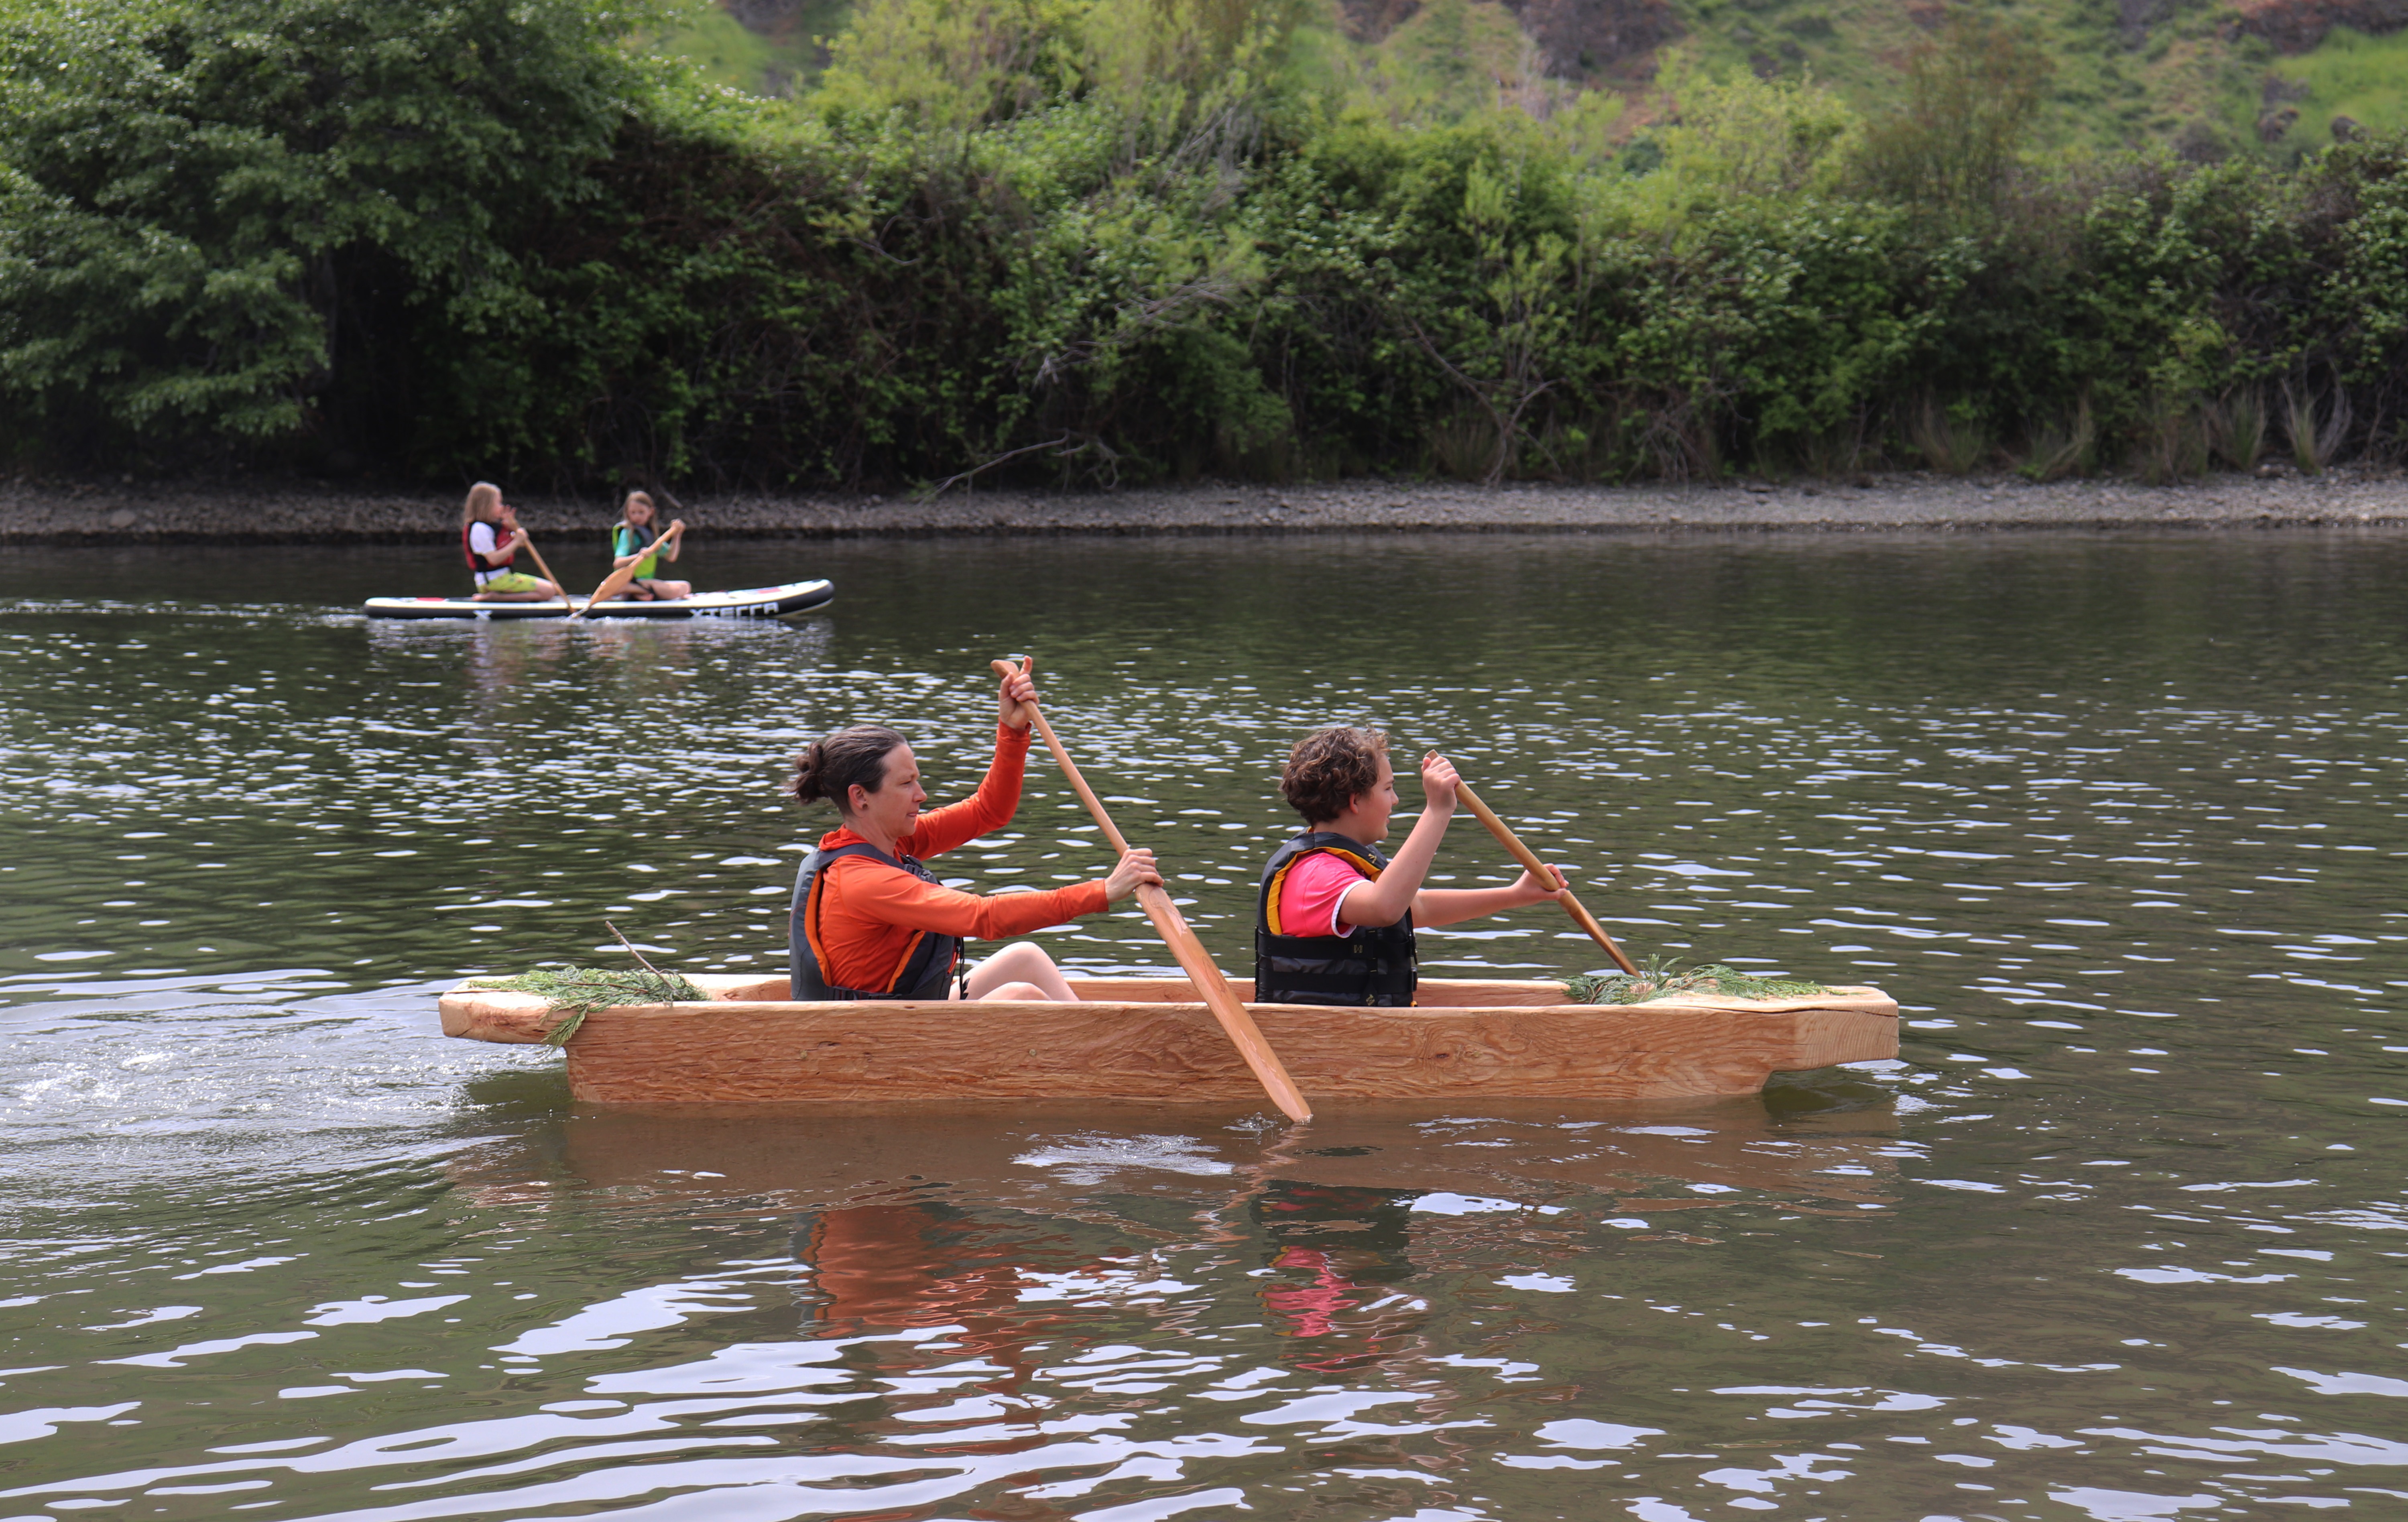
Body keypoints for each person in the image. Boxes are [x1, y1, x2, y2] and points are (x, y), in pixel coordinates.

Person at [786, 666, 1161, 1002]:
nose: (922, 795)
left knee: (1025, 957)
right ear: (860, 797)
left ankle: (1101, 1058)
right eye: (906, 783)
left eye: (918, 779)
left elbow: (989, 811)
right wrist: (1104, 891)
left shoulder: (890, 842)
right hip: (872, 1042)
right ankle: (1108, 1069)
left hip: (905, 1013)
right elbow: (984, 916)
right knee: (1021, 997)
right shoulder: (861, 881)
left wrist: (1013, 731)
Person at [1255, 727, 1565, 1006]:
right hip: (1327, 1045)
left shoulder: (1348, 865)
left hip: (1360, 1037)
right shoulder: (1316, 875)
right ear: (1355, 801)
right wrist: (1438, 810)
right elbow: (1385, 908)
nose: (1396, 800)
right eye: (1388, 789)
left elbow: (1416, 908)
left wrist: (1517, 894)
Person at [460, 482, 559, 602]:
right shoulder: (480, 529)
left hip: (504, 577)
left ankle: (503, 597)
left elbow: (523, 543)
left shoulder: (496, 528)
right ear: (486, 505)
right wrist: (517, 541)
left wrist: (513, 528)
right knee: (549, 591)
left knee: (555, 590)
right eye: (498, 503)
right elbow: (494, 559)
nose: (502, 507)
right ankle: (498, 598)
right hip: (493, 581)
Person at [604, 490, 691, 601]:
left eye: (641, 512)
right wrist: (639, 556)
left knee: (686, 586)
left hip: (645, 582)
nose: (637, 516)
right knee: (676, 591)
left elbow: (671, 557)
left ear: (651, 512)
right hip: (628, 580)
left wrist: (677, 535)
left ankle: (637, 593)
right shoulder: (627, 533)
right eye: (633, 513)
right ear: (627, 513)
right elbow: (618, 563)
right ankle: (629, 590)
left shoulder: (651, 537)